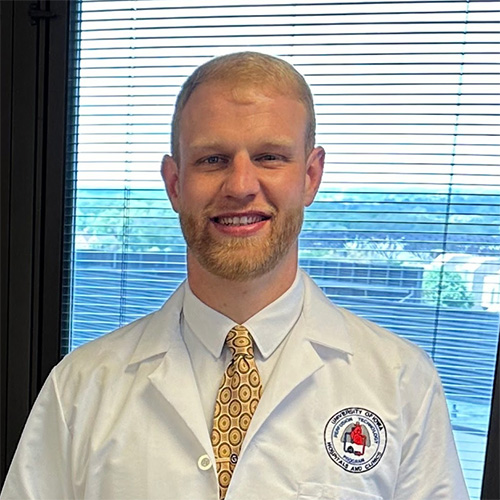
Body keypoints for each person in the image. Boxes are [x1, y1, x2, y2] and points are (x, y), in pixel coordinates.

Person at [0, 52, 469, 500]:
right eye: (212, 160)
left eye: (269, 157)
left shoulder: (401, 383)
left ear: (310, 176)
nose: (241, 186)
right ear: (175, 184)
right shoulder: (80, 389)